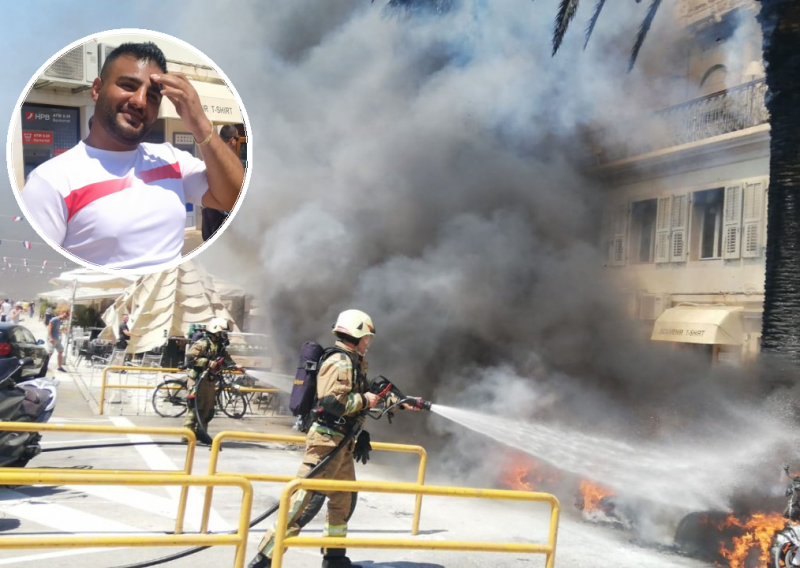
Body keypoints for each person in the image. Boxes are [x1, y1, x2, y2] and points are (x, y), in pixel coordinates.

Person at [21, 42, 245, 270]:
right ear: (97, 89)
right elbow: (37, 273)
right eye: (128, 85)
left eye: (153, 96)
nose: (140, 101)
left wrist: (201, 125)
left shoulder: (171, 159)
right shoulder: (50, 182)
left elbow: (233, 198)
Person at [248, 309, 421, 568]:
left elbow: (366, 391)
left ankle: (335, 557)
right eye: (367, 337)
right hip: (326, 443)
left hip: (342, 443)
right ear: (357, 335)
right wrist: (365, 400)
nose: (369, 343)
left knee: (343, 498)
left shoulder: (353, 361)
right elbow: (331, 401)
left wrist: (401, 401)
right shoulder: (339, 361)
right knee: (304, 504)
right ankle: (263, 560)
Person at [183, 317, 239, 445]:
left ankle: (201, 433)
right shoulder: (202, 343)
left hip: (209, 381)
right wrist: (208, 362)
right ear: (215, 331)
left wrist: (235, 366)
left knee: (208, 409)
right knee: (194, 407)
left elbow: (226, 359)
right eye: (222, 333)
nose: (224, 336)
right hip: (197, 379)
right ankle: (187, 434)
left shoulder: (219, 346)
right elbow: (190, 359)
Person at [201, 124, 238, 242]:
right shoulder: (227, 159)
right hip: (220, 213)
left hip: (206, 208)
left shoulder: (211, 153)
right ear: (232, 140)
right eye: (237, 139)